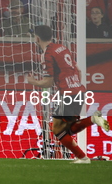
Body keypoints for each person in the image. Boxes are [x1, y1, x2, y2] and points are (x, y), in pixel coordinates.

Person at [27, 24, 110, 163]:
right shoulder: (62, 48)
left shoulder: (47, 55)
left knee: (58, 131)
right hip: (79, 90)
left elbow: (47, 83)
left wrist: (32, 81)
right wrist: (75, 85)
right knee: (67, 130)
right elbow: (78, 70)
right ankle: (91, 126)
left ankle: (83, 156)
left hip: (67, 94)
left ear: (37, 38)